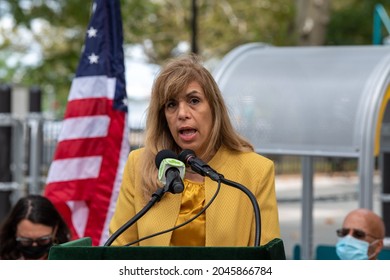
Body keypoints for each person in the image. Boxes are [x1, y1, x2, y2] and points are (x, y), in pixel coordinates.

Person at [109, 54, 281, 247]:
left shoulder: (256, 171)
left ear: (214, 108)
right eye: (171, 104)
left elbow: (267, 260)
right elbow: (119, 251)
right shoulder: (139, 164)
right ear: (163, 116)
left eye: (194, 100)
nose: (182, 114)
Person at [0, 194, 71, 260]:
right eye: (26, 240)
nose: (34, 245)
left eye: (43, 240)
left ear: (55, 230)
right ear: (15, 230)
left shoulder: (69, 257)